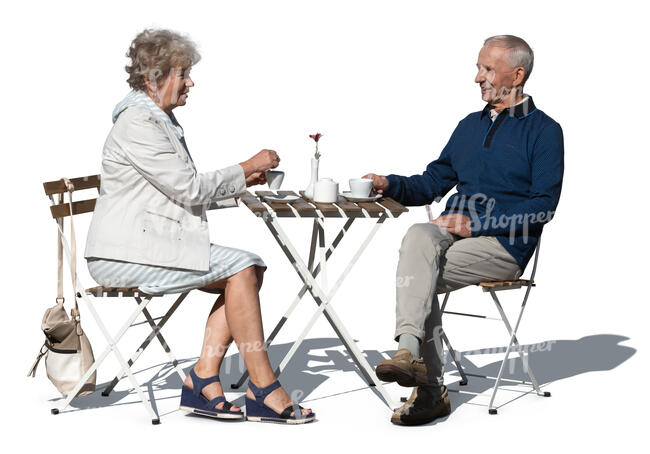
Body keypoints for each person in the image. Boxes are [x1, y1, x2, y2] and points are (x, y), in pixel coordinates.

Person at [84, 29, 314, 424]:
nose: (191, 82)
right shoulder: (138, 122)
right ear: (154, 77)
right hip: (120, 255)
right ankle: (262, 386)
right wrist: (248, 166)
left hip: (148, 245)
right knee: (242, 268)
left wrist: (243, 186)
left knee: (248, 267)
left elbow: (177, 192)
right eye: (183, 73)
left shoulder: (160, 119)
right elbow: (187, 188)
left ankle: (203, 379)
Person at [363, 35, 564, 426]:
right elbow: (432, 182)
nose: (477, 77)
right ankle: (408, 354)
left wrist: (476, 223)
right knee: (418, 237)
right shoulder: (469, 126)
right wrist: (390, 183)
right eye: (478, 67)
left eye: (487, 69)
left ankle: (430, 389)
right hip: (450, 236)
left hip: (503, 247)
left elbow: (543, 206)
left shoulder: (544, 131)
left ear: (517, 74)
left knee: (418, 272)